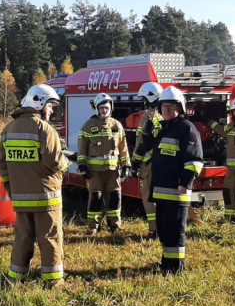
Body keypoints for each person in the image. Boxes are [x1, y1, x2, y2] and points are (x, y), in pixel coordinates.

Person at [0, 83, 70, 289]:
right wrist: (66, 161)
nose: (52, 110)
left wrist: (12, 190)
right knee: (50, 238)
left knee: (23, 237)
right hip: (47, 197)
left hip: (20, 197)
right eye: (50, 106)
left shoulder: (8, 129)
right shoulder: (45, 129)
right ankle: (53, 281)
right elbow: (54, 161)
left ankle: (15, 278)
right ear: (39, 103)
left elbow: (2, 164)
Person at [133, 87, 203, 274]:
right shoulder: (165, 128)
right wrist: (147, 135)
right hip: (162, 191)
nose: (167, 110)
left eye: (171, 106)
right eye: (164, 106)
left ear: (180, 107)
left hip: (176, 191)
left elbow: (194, 161)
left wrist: (185, 183)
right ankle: (166, 263)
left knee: (175, 231)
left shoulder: (187, 129)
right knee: (164, 230)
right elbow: (155, 152)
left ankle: (176, 267)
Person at [77, 93, 130, 234]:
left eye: (106, 108)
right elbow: (82, 147)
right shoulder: (88, 125)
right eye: (101, 108)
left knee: (115, 197)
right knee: (96, 197)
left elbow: (123, 147)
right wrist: (82, 165)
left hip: (113, 170)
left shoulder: (116, 125)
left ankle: (115, 225)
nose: (104, 111)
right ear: (96, 108)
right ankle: (93, 226)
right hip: (95, 171)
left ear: (111, 108)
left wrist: (126, 165)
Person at [130, 82, 163, 238]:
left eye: (144, 98)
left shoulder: (146, 117)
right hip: (160, 163)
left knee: (148, 198)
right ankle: (161, 228)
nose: (143, 101)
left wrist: (135, 163)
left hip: (147, 165)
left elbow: (141, 143)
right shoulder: (163, 116)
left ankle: (153, 230)